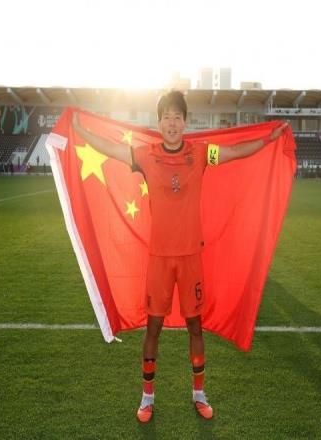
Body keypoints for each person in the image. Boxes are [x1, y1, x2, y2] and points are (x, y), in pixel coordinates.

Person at [72, 90, 288, 423]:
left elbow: (233, 152)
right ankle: (147, 398)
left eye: (177, 117)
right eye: (166, 117)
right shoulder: (145, 155)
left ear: (185, 122)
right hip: (160, 258)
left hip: (190, 258)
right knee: (153, 328)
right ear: (159, 122)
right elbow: (112, 149)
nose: (172, 123)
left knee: (195, 328)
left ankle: (199, 394)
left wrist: (267, 140)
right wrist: (80, 130)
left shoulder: (200, 153)